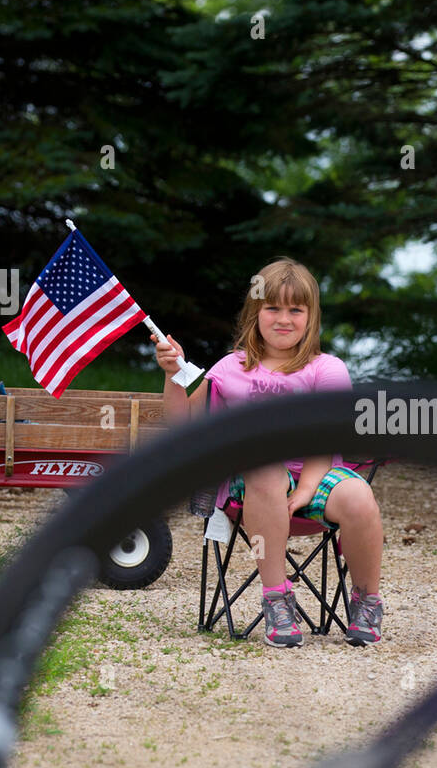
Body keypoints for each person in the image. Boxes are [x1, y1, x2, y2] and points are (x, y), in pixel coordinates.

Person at [156, 258, 385, 647]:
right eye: (272, 308)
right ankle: (277, 598)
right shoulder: (231, 368)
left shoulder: (325, 369)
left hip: (315, 475)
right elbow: (185, 427)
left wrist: (308, 489)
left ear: (310, 317)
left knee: (359, 495)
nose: (284, 318)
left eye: (296, 309)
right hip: (250, 486)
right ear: (254, 313)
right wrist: (171, 374)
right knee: (262, 468)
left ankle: (366, 600)